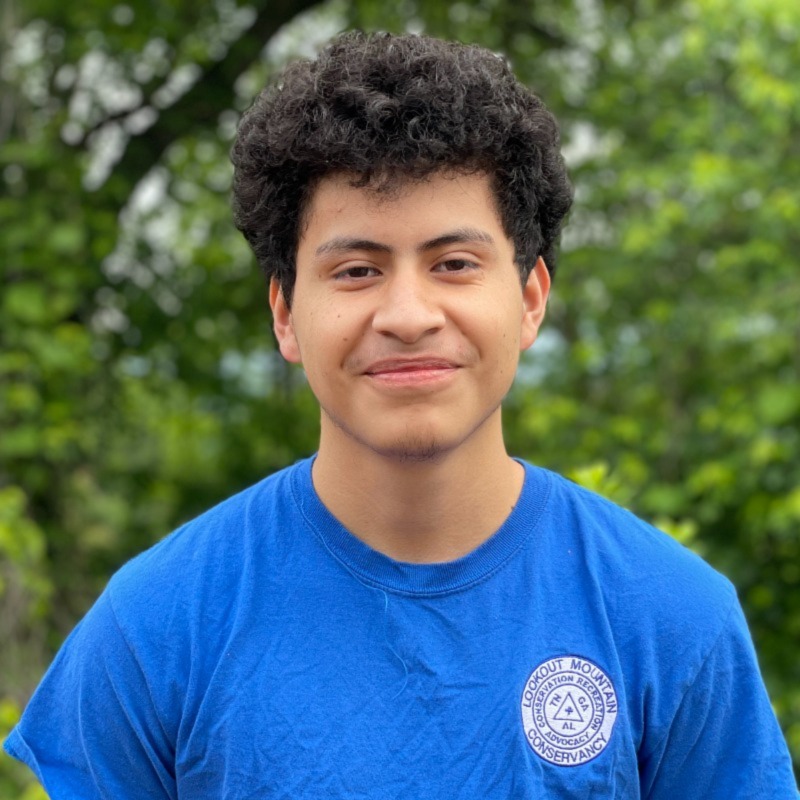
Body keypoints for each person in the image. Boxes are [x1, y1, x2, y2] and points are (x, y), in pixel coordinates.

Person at [4, 31, 797, 799]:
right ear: (284, 313)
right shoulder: (158, 625)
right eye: (356, 269)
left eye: (454, 264)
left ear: (529, 299)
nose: (408, 314)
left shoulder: (670, 617)